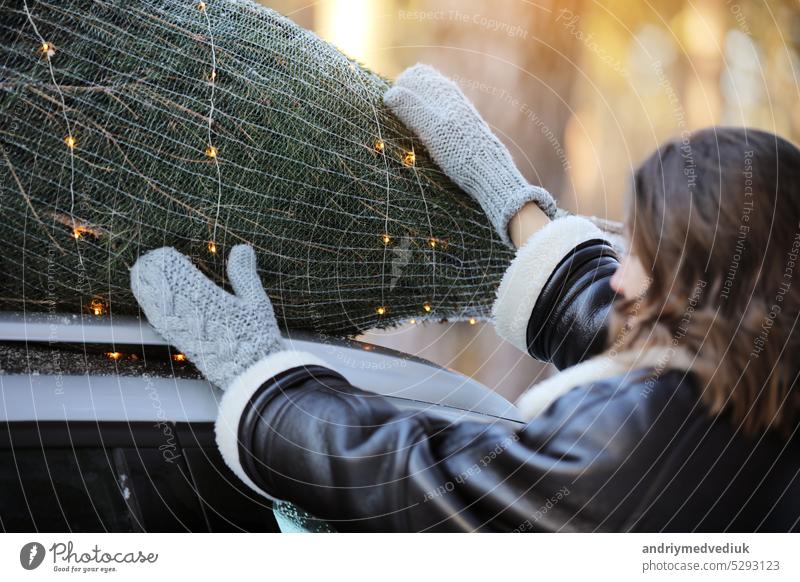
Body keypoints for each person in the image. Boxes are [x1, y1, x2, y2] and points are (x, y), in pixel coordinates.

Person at [130, 65, 800, 532]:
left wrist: (260, 377)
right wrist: (504, 193)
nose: (618, 281)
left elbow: (417, 483)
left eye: (640, 263)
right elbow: (645, 342)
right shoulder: (762, 381)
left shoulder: (630, 450)